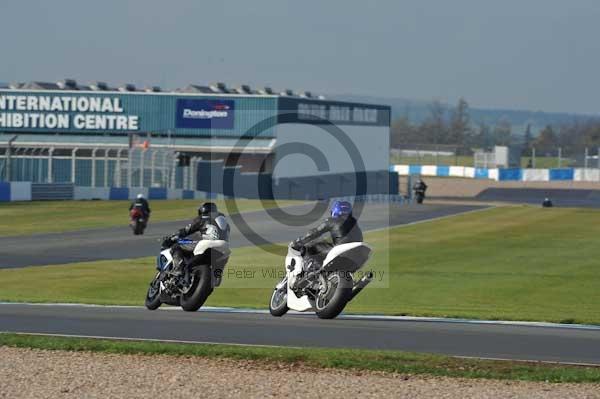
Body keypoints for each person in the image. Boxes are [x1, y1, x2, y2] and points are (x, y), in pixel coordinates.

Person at [291, 200, 363, 269]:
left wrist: (299, 241)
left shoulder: (332, 220)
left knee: (310, 247)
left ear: (335, 211)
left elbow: (315, 232)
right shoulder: (354, 222)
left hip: (341, 250)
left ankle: (315, 269)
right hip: (357, 254)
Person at [163, 202, 230, 276]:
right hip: (225, 248)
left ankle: (178, 269)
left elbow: (186, 230)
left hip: (208, 244)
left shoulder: (203, 218)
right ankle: (217, 276)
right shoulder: (225, 222)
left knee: (176, 246)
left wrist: (172, 238)